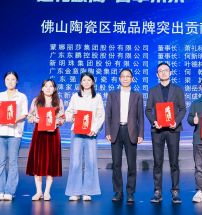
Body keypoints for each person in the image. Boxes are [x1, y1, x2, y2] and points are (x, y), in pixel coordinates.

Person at [145, 62, 186, 203]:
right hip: (157, 130)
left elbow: (182, 109)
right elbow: (148, 110)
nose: (163, 72)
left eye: (166, 70)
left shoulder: (178, 89)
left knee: (174, 162)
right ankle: (157, 191)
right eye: (160, 71)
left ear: (170, 73)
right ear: (157, 74)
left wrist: (176, 121)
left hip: (173, 129)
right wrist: (154, 121)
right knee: (157, 162)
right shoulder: (152, 90)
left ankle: (175, 191)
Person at [105, 68, 145, 203]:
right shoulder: (112, 94)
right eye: (123, 76)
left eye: (128, 76)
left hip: (131, 131)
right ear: (119, 79)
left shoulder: (137, 95)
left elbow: (140, 116)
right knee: (116, 163)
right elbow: (108, 114)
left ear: (132, 79)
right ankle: (118, 191)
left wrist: (141, 133)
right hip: (116, 131)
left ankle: (130, 192)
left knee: (131, 164)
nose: (126, 78)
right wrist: (107, 131)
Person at [64, 72, 105, 201]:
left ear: (92, 82)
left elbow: (101, 115)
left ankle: (88, 191)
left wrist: (94, 129)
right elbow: (67, 114)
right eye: (84, 80)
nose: (86, 82)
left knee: (91, 161)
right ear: (81, 82)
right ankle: (74, 191)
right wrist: (73, 114)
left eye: (89, 80)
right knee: (75, 162)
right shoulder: (75, 97)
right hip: (77, 132)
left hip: (91, 132)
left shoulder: (97, 97)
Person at [26, 79, 65, 201]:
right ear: (42, 88)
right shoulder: (36, 101)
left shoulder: (58, 102)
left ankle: (47, 191)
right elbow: (29, 117)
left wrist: (56, 123)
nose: (48, 88)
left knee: (50, 163)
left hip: (53, 134)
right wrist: (36, 119)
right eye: (46, 86)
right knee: (38, 162)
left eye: (51, 86)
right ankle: (38, 192)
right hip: (39, 133)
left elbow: (63, 118)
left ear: (54, 89)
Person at [0, 71, 29, 201]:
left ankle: (9, 191)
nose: (10, 81)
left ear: (17, 81)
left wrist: (16, 120)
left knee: (13, 162)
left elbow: (25, 114)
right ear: (4, 81)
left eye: (13, 79)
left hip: (15, 132)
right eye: (7, 79)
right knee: (1, 162)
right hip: (0, 131)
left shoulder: (22, 96)